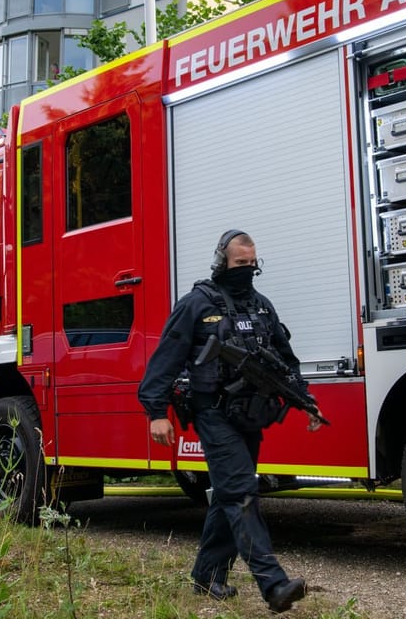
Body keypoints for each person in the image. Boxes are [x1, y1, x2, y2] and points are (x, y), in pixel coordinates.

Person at [138, 229, 324, 613]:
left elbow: (286, 363)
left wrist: (307, 402)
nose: (247, 269)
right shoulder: (196, 303)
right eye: (241, 263)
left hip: (250, 414)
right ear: (222, 260)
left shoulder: (262, 307)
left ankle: (207, 576)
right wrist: (157, 413)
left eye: (252, 264)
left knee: (228, 494)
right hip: (212, 413)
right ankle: (273, 584)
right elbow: (166, 359)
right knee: (241, 491)